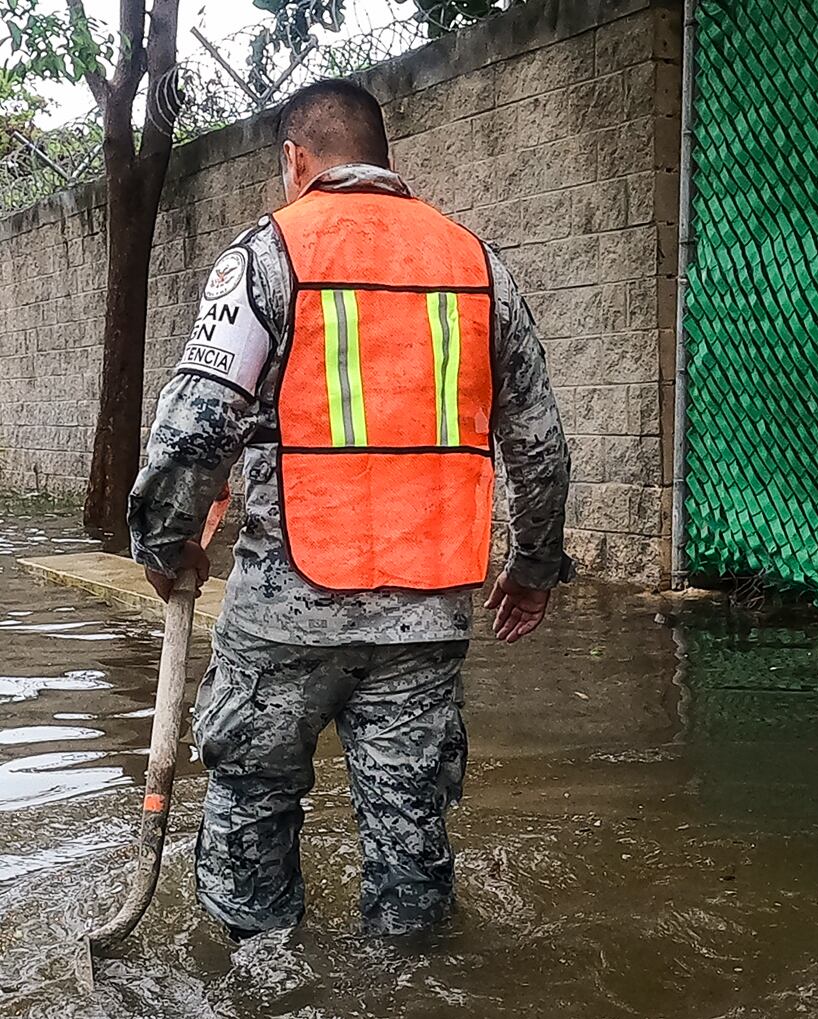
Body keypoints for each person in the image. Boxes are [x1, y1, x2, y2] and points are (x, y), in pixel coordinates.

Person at [129, 78, 573, 938]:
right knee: (411, 855)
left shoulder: (263, 257)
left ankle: (255, 1010)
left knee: (251, 834)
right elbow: (541, 443)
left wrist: (166, 543)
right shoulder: (476, 266)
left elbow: (191, 430)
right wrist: (532, 566)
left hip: (285, 615)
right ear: (383, 156)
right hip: (427, 616)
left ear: (296, 161)